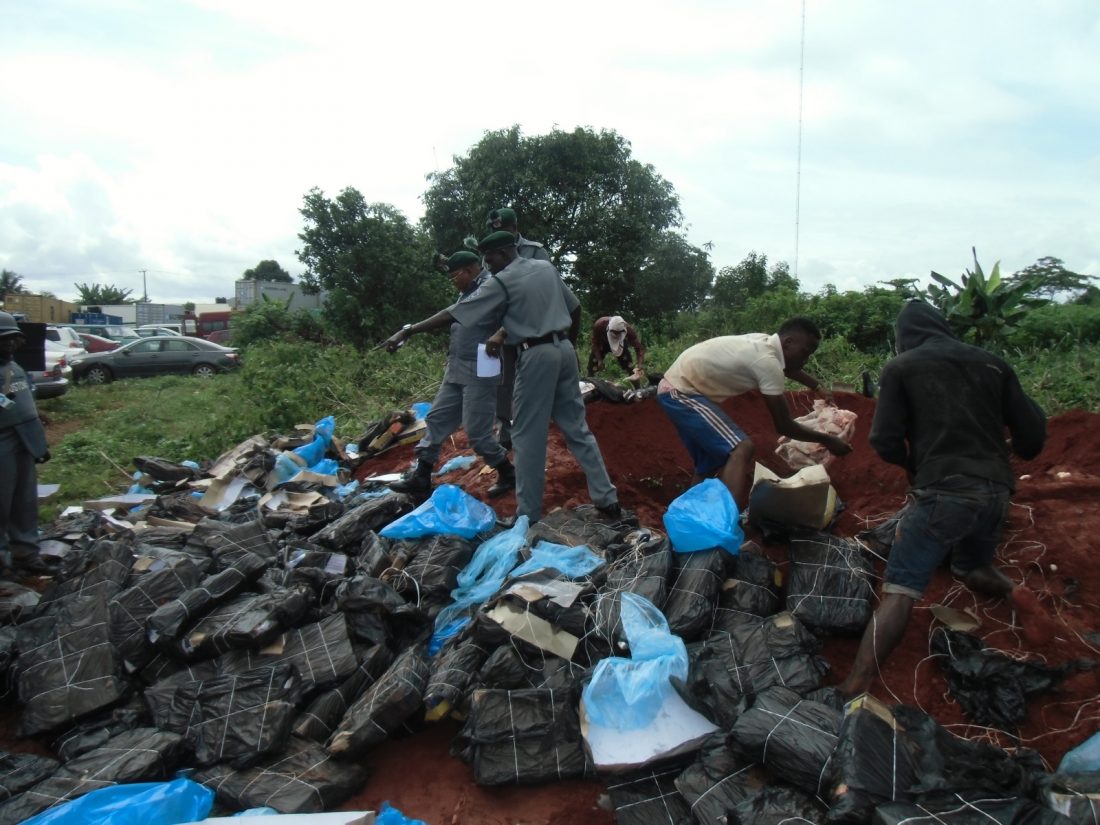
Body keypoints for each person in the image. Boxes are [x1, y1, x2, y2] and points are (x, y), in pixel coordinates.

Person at [838, 301, 1047, 698]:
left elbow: (883, 440)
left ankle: (855, 683)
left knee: (899, 590)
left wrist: (915, 466)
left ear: (902, 337)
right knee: (970, 566)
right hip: (997, 492)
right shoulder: (992, 363)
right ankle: (1010, 591)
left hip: (943, 492)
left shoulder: (902, 367)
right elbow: (1033, 434)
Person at [392, 230, 620, 523]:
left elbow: (455, 313)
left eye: (489, 260)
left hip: (536, 355)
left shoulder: (503, 280)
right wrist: (568, 346)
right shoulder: (545, 268)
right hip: (563, 350)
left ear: (502, 254)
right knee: (577, 429)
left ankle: (527, 516)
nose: (487, 266)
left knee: (526, 436)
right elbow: (575, 308)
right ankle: (607, 499)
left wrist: (410, 329)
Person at [657, 318, 852, 510]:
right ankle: (726, 522)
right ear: (788, 342)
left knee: (708, 464)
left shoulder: (764, 343)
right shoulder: (768, 362)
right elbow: (783, 425)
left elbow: (789, 369)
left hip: (676, 387)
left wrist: (817, 386)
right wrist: (828, 440)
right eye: (805, 352)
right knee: (741, 448)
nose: (806, 359)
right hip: (683, 392)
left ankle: (694, 515)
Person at [383, 252, 514, 499]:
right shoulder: (467, 289)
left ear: (469, 270)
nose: (452, 280)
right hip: (456, 366)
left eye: (455, 275)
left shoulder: (489, 287)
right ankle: (421, 475)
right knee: (437, 418)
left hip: (481, 367)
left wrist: (407, 331)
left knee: (477, 432)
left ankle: (507, 472)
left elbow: (453, 314)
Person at [482, 207, 551, 451]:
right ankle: (505, 428)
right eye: (494, 230)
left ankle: (537, 425)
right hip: (504, 327)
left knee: (533, 378)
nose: (498, 233)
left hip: (533, 328)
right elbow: (489, 288)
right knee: (503, 379)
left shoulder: (535, 250)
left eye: (502, 229)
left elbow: (547, 289)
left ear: (514, 227)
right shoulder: (491, 254)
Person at [0, 311, 53, 576]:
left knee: (25, 500)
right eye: (4, 340)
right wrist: (11, 406)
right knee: (2, 501)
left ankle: (26, 552)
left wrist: (33, 414)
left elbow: (20, 396)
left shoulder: (14, 367)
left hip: (24, 441)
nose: (10, 345)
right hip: (3, 441)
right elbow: (4, 401)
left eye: (13, 339)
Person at [587, 315, 646, 382]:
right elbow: (595, 343)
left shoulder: (628, 329)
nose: (616, 334)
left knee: (630, 368)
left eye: (618, 333)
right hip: (603, 343)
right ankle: (589, 385)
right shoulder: (600, 325)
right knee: (592, 367)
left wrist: (640, 364)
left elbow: (639, 348)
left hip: (620, 343)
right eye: (614, 332)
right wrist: (599, 360)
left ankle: (637, 389)